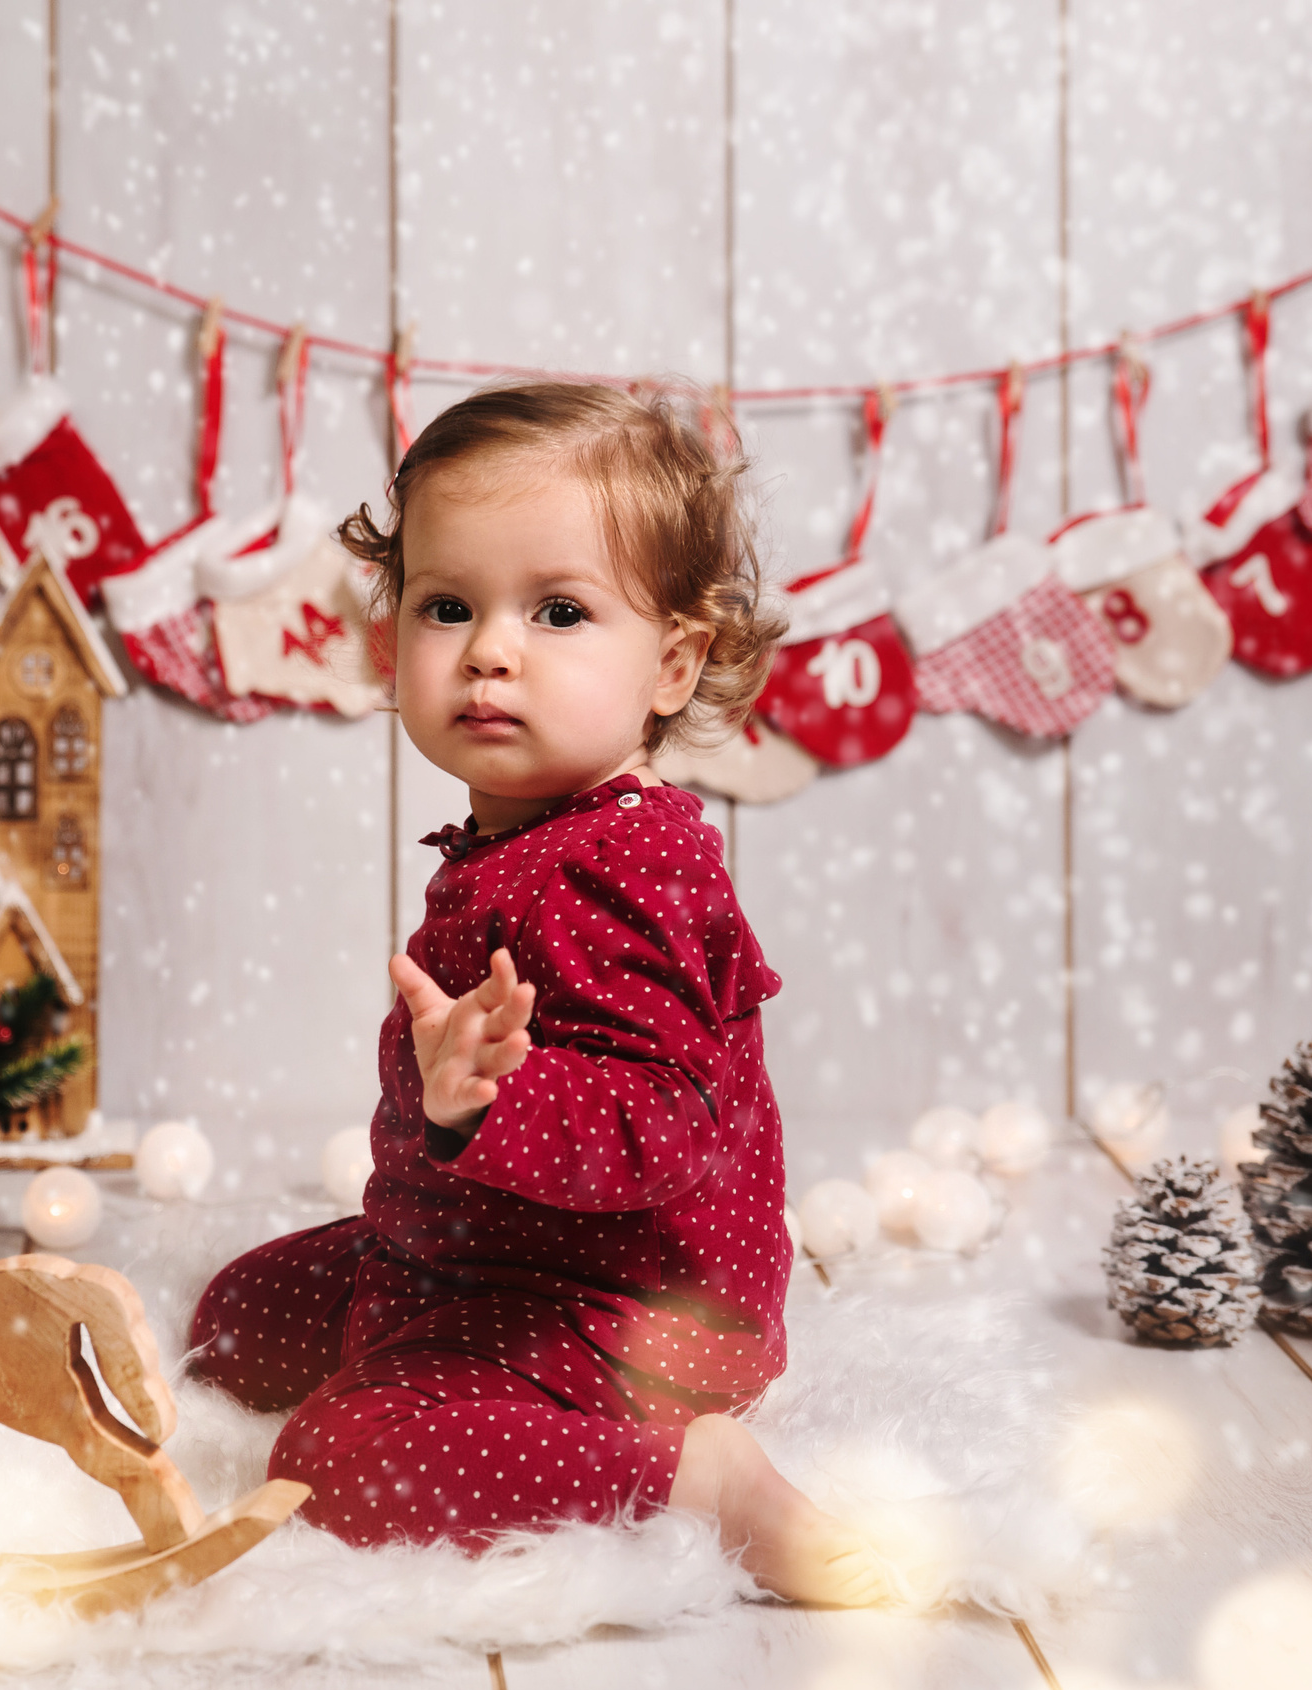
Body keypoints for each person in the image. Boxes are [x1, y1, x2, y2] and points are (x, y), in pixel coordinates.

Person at [186, 380, 892, 1606]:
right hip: (486, 1251)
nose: (488, 650)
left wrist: (484, 1102)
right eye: (446, 605)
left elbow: (665, 1119)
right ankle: (431, 1339)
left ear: (672, 663)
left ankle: (688, 1472)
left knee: (332, 1464)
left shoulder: (617, 873)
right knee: (239, 1320)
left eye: (558, 611)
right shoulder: (540, 837)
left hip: (621, 1313)